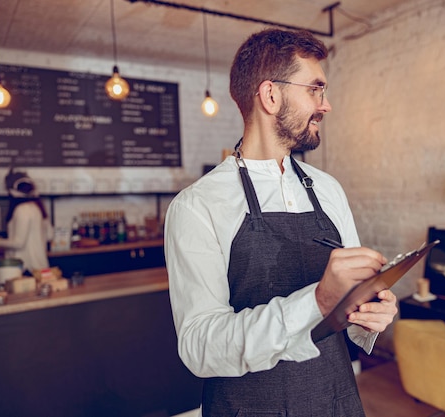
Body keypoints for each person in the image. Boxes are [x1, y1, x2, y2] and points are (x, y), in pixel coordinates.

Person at [164, 28, 398, 417]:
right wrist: (317, 300)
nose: (327, 105)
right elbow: (199, 348)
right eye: (315, 89)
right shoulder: (197, 205)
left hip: (336, 401)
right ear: (271, 96)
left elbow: (348, 309)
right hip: (248, 407)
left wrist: (369, 315)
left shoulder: (328, 189)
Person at [0, 168, 52, 273]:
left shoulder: (22, 209)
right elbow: (50, 235)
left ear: (11, 191)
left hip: (25, 269)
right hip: (40, 268)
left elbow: (19, 243)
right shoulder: (38, 207)